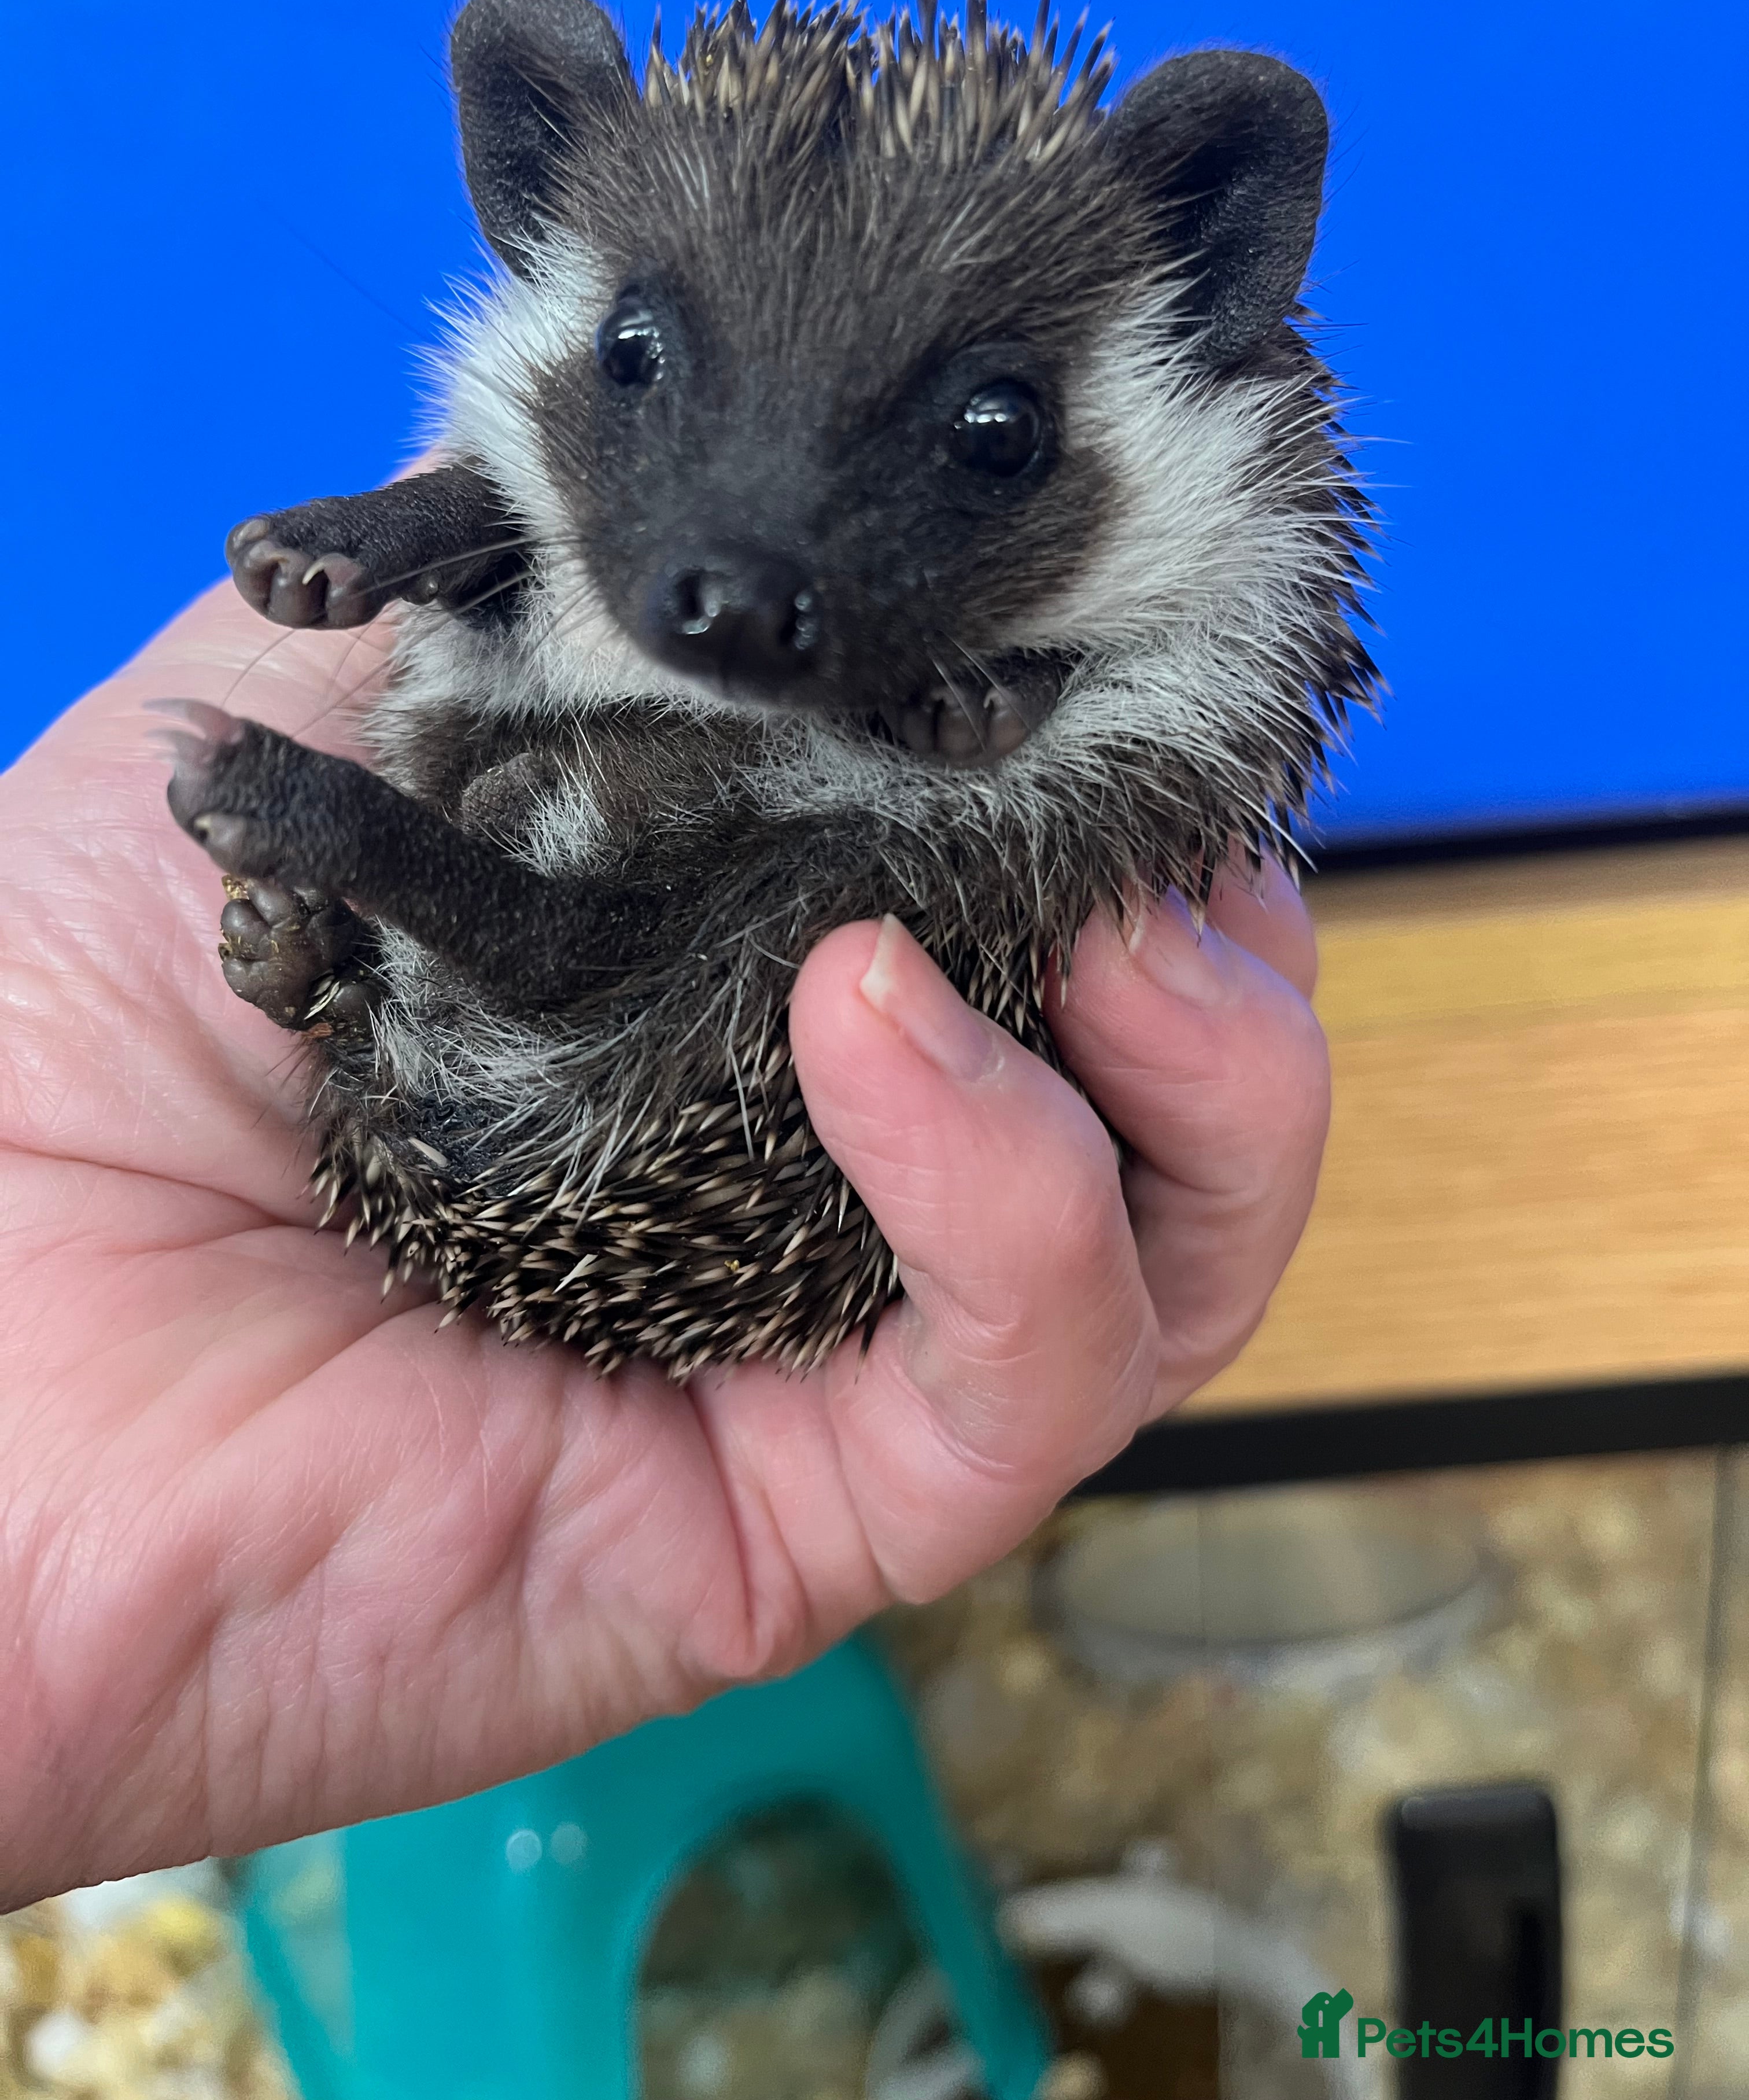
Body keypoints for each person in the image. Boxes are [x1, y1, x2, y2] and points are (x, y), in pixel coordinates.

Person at [0, 578, 1330, 1913]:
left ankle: (356, 970)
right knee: (716, 930)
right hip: (590, 1013)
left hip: (627, 1013)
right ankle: (360, 962)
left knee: (724, 940)